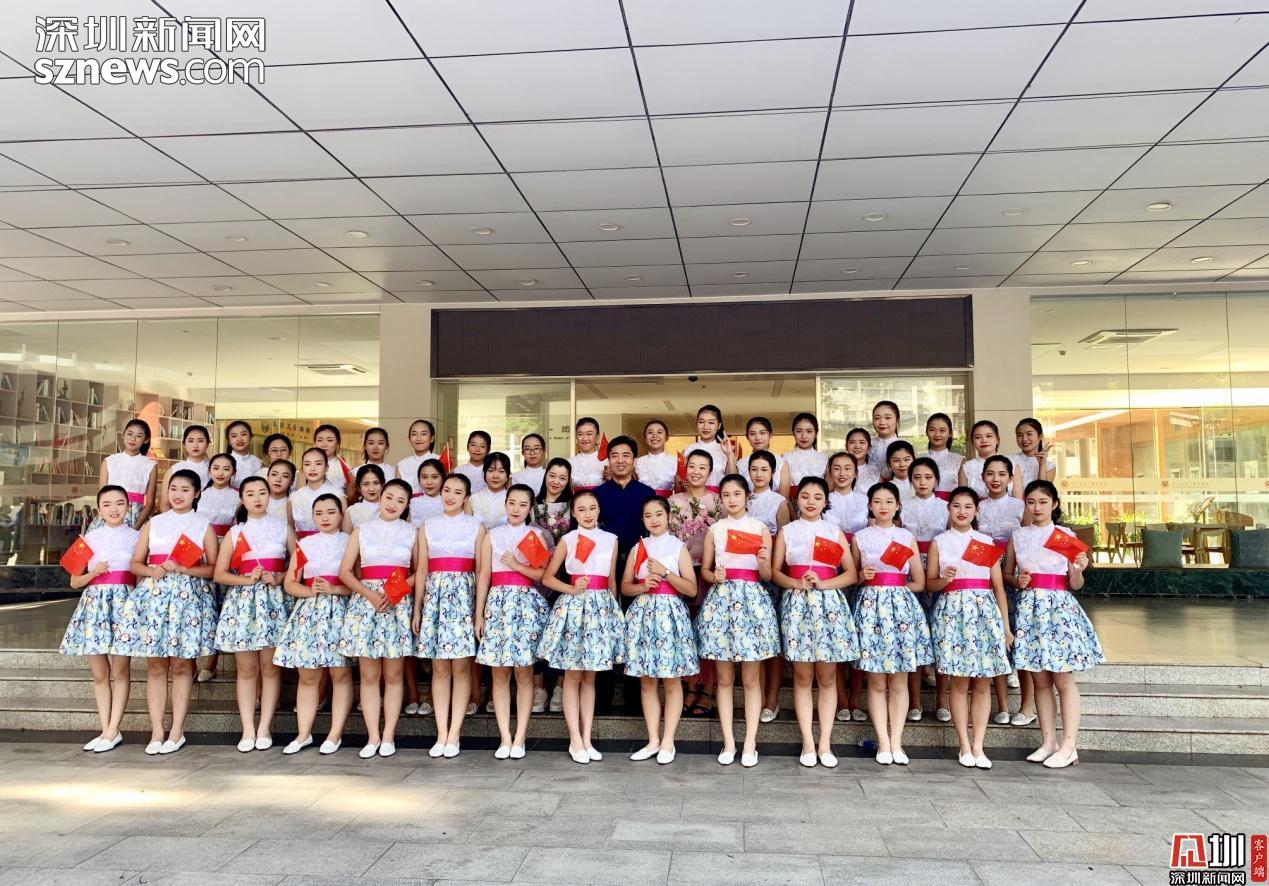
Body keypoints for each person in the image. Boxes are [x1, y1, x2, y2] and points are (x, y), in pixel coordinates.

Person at [1006, 480, 1103, 769]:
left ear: (1055, 504)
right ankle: (1048, 742)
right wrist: (1018, 580)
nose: (1036, 508)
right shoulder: (1018, 536)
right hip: (1029, 609)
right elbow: (1007, 574)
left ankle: (1069, 744)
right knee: (1039, 680)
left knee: (1062, 678)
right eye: (1031, 502)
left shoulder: (1065, 535)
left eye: (1043, 502)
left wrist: (1078, 569)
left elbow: (1076, 583)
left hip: (1058, 609)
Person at [125, 469, 218, 755]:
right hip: (155, 598)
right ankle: (156, 731)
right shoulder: (154, 523)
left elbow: (213, 569)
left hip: (188, 600)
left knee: (181, 666)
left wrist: (184, 569)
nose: (178, 495)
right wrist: (151, 571)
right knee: (155, 665)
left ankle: (177, 731)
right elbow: (135, 563)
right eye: (173, 488)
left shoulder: (203, 525)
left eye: (185, 490)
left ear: (197, 493)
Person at [773, 476, 860, 768]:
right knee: (801, 676)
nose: (811, 502)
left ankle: (825, 743)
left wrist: (824, 583)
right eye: (805, 496)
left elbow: (851, 574)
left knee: (827, 677)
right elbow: (775, 572)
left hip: (828, 605)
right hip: (797, 604)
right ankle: (808, 743)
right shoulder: (787, 531)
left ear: (826, 502)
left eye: (818, 497)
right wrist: (796, 583)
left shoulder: (834, 532)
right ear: (797, 500)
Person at [926, 486, 1012, 770]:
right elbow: (929, 585)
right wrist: (944, 579)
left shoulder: (986, 543)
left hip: (984, 613)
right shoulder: (939, 542)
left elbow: (998, 588)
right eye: (956, 506)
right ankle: (964, 744)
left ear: (976, 511)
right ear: (948, 509)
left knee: (983, 682)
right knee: (960, 682)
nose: (962, 511)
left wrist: (1005, 627)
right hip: (952, 614)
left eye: (968, 507)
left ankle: (979, 745)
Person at [698, 474, 779, 768]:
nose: (732, 499)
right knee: (723, 679)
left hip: (752, 601)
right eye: (726, 495)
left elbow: (768, 575)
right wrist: (714, 576)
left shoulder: (760, 529)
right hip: (722, 600)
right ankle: (729, 742)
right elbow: (705, 571)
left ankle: (750, 743)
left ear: (747, 496)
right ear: (720, 499)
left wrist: (763, 563)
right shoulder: (715, 530)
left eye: (737, 494)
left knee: (751, 679)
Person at [538, 491, 623, 764]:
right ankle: (575, 739)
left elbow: (611, 580)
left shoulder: (611, 540)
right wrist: (571, 588)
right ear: (573, 513)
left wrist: (614, 614)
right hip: (574, 609)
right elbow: (548, 578)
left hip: (601, 609)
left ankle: (587, 738)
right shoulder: (568, 539)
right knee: (572, 676)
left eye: (592, 508)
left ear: (599, 510)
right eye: (582, 509)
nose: (588, 513)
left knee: (590, 677)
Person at [852, 481, 932, 766]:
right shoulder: (860, 537)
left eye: (889, 501)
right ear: (869, 506)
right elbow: (852, 578)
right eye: (877, 501)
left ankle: (897, 741)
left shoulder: (906, 537)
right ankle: (883, 743)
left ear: (898, 506)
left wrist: (895, 588)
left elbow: (920, 582)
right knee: (875, 679)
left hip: (901, 610)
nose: (883, 506)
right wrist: (862, 576)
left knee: (899, 680)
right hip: (870, 608)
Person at [337, 478, 416, 759]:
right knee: (369, 676)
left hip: (398, 603)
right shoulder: (361, 530)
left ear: (407, 506)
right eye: (389, 497)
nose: (393, 504)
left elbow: (420, 571)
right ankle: (372, 736)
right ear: (380, 497)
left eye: (400, 501)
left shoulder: (413, 532)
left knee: (393, 675)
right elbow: (345, 571)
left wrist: (395, 593)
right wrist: (369, 594)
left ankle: (389, 735)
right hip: (366, 602)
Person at [213, 476, 292, 753]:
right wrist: (246, 580)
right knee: (246, 670)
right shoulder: (235, 533)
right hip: (243, 603)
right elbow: (219, 573)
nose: (257, 498)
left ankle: (264, 727)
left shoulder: (283, 528)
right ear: (242, 499)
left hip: (273, 602)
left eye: (262, 493)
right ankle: (247, 728)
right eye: (250, 494)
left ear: (270, 496)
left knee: (270, 668)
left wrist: (279, 576)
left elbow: (298, 565)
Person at [621, 496, 699, 766]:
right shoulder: (637, 548)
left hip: (670, 615)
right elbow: (625, 587)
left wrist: (666, 573)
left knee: (671, 679)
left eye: (658, 514)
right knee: (647, 679)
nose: (654, 520)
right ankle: (653, 739)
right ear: (642, 519)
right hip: (644, 614)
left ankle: (668, 741)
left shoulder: (678, 547)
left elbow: (691, 589)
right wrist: (643, 586)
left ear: (668, 516)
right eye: (648, 515)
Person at [59, 485, 139, 753]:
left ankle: (113, 729)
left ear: (128, 506)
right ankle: (106, 730)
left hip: (124, 604)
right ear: (99, 509)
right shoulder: (88, 539)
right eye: (107, 504)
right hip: (94, 606)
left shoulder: (138, 537)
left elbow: (141, 574)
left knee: (120, 670)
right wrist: (93, 573)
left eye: (119, 503)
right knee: (99, 673)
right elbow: (74, 582)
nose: (114, 509)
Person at [475, 484, 551, 759]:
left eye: (523, 504)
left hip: (526, 605)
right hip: (497, 604)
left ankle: (520, 737)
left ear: (530, 508)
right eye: (512, 503)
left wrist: (517, 565)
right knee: (499, 672)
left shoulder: (535, 535)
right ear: (505, 504)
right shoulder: (491, 536)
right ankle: (504, 737)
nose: (516, 509)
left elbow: (542, 574)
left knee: (524, 672)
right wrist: (479, 613)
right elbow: (484, 575)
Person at [276, 492, 354, 755]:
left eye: (331, 512)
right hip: (309, 613)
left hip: (341, 611)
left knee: (340, 673)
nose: (325, 518)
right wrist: (310, 591)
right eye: (319, 513)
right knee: (308, 675)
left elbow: (359, 583)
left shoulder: (350, 542)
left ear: (341, 514)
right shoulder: (305, 544)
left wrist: (335, 589)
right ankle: (303, 734)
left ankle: (335, 734)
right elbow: (290, 583)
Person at [415, 473, 484, 758]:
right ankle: (441, 733)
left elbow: (481, 571)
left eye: (457, 492)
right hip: (435, 599)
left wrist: (478, 612)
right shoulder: (427, 526)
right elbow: (421, 569)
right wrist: (417, 608)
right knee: (440, 668)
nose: (450, 496)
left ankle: (454, 733)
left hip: (464, 599)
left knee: (461, 668)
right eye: (446, 490)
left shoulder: (476, 526)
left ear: (466, 497)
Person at [667, 450, 721, 719]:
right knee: (686, 631)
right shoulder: (672, 501)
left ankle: (709, 689)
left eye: (702, 467)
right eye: (692, 466)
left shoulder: (718, 502)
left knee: (708, 631)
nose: (696, 471)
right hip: (681, 573)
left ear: (710, 473)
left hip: (709, 573)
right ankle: (690, 686)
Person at [979, 454, 1030, 726]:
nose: (995, 479)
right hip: (984, 573)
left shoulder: (1021, 506)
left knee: (1016, 628)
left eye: (1001, 474)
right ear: (983, 478)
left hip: (1013, 573)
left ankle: (1021, 694)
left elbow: (1028, 540)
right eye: (990, 474)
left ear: (1010, 478)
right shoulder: (976, 506)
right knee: (992, 630)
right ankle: (1000, 699)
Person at [904, 456, 949, 723]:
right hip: (910, 572)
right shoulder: (902, 506)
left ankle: (942, 699)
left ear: (936, 480)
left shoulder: (946, 507)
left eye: (928, 477)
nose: (922, 482)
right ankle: (915, 701)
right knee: (913, 635)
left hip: (939, 572)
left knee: (940, 634)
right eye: (917, 477)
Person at [746, 450, 789, 724]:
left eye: (764, 469)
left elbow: (784, 541)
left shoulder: (779, 502)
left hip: (769, 575)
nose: (759, 474)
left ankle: (772, 697)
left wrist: (773, 571)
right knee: (754, 637)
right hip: (744, 576)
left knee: (771, 638)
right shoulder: (742, 498)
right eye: (754, 469)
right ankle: (757, 695)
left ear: (773, 472)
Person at [91, 418, 155, 529]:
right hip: (110, 514)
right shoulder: (109, 461)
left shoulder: (150, 465)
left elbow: (150, 503)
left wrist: (136, 527)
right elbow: (101, 496)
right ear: (123, 434)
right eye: (129, 434)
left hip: (136, 517)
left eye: (139, 436)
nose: (133, 439)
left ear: (146, 439)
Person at [290, 448, 341, 541]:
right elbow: (290, 530)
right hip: (301, 546)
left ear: (326, 468)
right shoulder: (293, 497)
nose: (312, 469)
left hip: (331, 544)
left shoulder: (338, 495)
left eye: (318, 464)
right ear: (302, 469)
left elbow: (343, 530)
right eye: (307, 464)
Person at [959, 420, 1018, 500]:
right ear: (972, 442)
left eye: (989, 436)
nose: (984, 440)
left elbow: (1018, 500)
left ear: (997, 439)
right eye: (978, 437)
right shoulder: (966, 468)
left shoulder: (1013, 464)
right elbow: (962, 500)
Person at [684, 404, 737, 493]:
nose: (705, 427)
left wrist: (729, 454)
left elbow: (733, 480)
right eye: (701, 422)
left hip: (718, 498)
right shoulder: (688, 451)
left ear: (719, 425)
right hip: (693, 498)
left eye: (711, 422)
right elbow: (680, 482)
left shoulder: (724, 450)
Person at [159, 425, 210, 512]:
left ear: (207, 444)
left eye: (200, 441)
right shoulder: (174, 470)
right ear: (184, 445)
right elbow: (165, 505)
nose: (195, 445)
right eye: (191, 441)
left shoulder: (214, 469)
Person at [738, 416, 790, 499]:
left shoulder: (781, 463)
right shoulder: (740, 464)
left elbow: (784, 498)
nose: (758, 438)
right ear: (747, 436)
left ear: (770, 434)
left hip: (775, 506)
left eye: (762, 433)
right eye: (752, 434)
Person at [197, 453, 239, 540]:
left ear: (233, 472)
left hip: (226, 541)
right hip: (198, 540)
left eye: (226, 469)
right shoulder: (198, 495)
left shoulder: (239, 498)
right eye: (216, 468)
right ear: (209, 470)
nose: (220, 473)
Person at [1011, 418, 1056, 496]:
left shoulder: (1049, 466)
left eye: (1029, 434)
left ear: (1040, 436)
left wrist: (1042, 465)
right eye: (1019, 435)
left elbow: (1043, 494)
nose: (1024, 439)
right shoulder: (1008, 460)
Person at [923, 413, 962, 501]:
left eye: (942, 430)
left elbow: (963, 492)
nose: (937, 434)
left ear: (950, 433)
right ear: (926, 432)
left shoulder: (959, 460)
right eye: (932, 430)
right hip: (923, 504)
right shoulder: (919, 460)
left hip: (951, 505)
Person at [784, 412, 827, 492]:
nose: (804, 436)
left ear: (816, 433)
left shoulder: (824, 458)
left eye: (809, 431)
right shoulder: (785, 458)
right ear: (793, 433)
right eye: (799, 431)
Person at [469, 452, 511, 530]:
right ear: (484, 473)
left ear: (507, 475)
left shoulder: (513, 499)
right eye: (491, 470)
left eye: (501, 471)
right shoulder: (473, 499)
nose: (495, 476)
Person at [397, 419, 439, 497]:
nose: (418, 438)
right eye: (414, 434)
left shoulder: (441, 461)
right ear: (409, 439)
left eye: (423, 434)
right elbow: (397, 492)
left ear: (432, 438)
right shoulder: (402, 464)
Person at [634, 419, 676, 497]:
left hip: (668, 502)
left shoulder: (675, 462)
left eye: (659, 432)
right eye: (650, 432)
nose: (655, 436)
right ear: (645, 438)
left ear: (666, 437)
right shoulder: (637, 462)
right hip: (642, 502)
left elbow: (680, 490)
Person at [869, 400, 906, 479]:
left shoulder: (905, 446)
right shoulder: (867, 444)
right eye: (877, 418)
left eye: (888, 418)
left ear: (897, 420)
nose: (882, 422)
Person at [315, 424, 354, 497]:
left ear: (337, 444)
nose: (324, 445)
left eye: (330, 440)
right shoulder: (306, 466)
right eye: (319, 440)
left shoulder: (347, 469)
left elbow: (350, 497)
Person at [569, 417, 606, 491]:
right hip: (577, 498)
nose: (585, 438)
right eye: (580, 434)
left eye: (589, 434)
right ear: (576, 437)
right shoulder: (570, 463)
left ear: (597, 437)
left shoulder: (606, 462)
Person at [408, 460, 445, 529]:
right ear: (419, 480)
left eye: (434, 477)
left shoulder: (450, 501)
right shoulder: (412, 501)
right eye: (424, 477)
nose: (429, 482)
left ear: (443, 478)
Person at [345, 464, 383, 529]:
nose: (371, 489)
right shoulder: (351, 512)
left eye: (376, 483)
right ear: (358, 487)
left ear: (383, 485)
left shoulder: (390, 508)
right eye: (366, 484)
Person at [225, 420, 262, 487]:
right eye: (234, 436)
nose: (239, 439)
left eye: (243, 434)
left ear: (250, 437)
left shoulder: (258, 462)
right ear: (229, 441)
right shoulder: (224, 462)